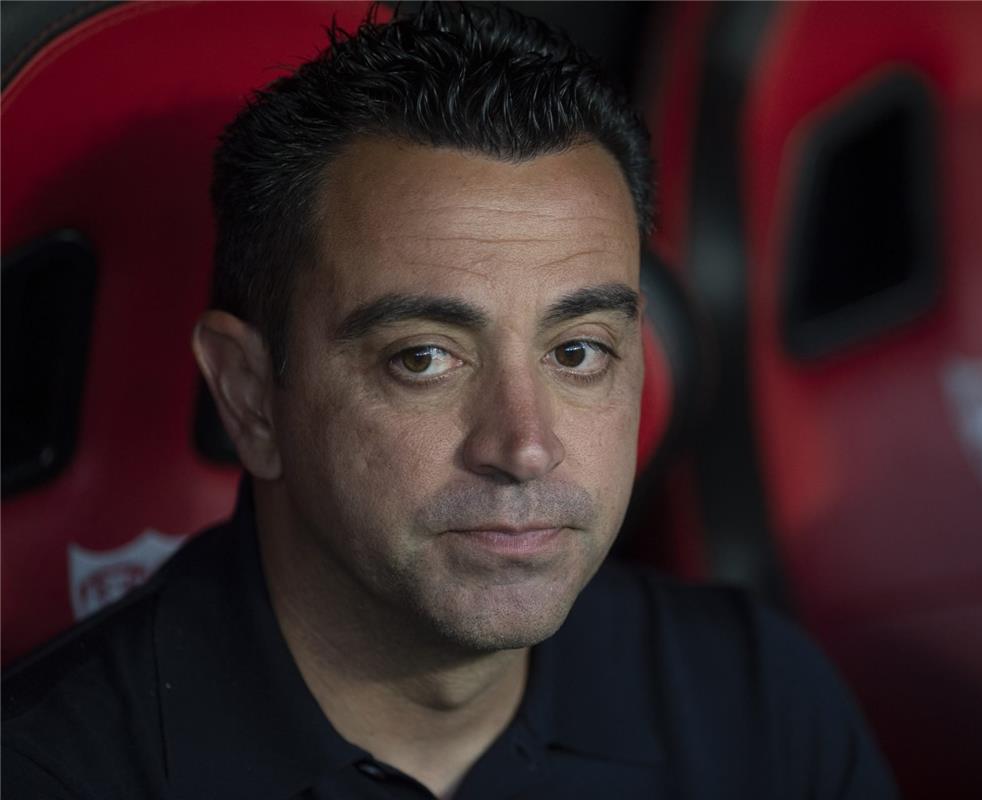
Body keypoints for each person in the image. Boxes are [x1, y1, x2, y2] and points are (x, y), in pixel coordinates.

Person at [2, 4, 895, 798]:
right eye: (424, 358)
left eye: (578, 352)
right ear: (249, 397)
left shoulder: (754, 701)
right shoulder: (49, 770)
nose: (526, 445)